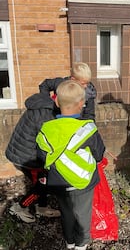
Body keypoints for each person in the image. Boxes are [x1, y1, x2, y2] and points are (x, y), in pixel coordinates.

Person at [36, 80, 105, 250]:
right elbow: (98, 154)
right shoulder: (88, 128)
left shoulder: (46, 129)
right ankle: (82, 244)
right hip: (83, 182)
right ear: (82, 103)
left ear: (57, 102)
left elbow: (41, 158)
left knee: (66, 212)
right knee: (82, 214)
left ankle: (70, 242)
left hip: (59, 182)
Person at [6, 93, 61, 223]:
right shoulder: (46, 115)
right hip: (28, 159)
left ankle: (41, 207)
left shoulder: (44, 105)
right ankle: (19, 207)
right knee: (42, 185)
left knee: (43, 181)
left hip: (23, 153)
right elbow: (47, 143)